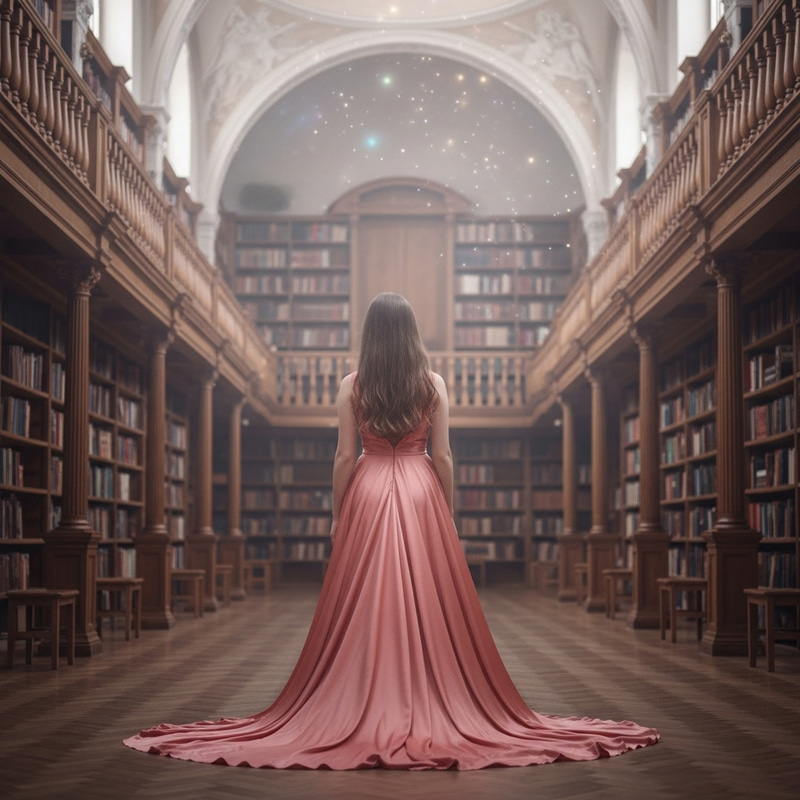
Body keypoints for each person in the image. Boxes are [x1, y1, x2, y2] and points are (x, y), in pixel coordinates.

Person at [124, 292, 659, 770]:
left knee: (364, 595)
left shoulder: (352, 385)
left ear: (369, 335)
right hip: (422, 489)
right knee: (429, 594)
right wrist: (445, 511)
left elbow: (342, 455)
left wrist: (340, 514)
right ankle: (433, 691)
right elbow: (444, 454)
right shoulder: (434, 383)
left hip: (371, 485)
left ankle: (361, 690)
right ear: (411, 334)